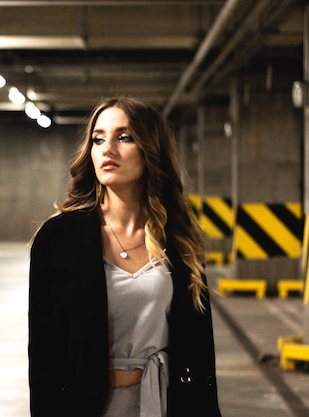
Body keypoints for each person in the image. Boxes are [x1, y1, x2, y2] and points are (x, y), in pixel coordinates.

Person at [28, 97, 222, 417]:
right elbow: (44, 354)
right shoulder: (58, 238)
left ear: (150, 149)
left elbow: (200, 351)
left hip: (161, 403)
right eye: (98, 138)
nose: (108, 149)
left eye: (124, 137)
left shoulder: (178, 238)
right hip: (85, 406)